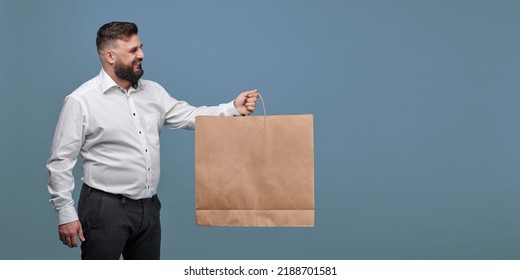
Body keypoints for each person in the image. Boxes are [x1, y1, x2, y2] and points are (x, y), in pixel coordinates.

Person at [46, 21, 258, 260]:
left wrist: (232, 108)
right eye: (133, 50)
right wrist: (66, 213)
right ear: (110, 56)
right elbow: (60, 161)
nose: (142, 55)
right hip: (104, 210)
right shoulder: (81, 101)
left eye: (140, 47)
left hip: (149, 209)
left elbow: (189, 116)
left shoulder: (154, 92)